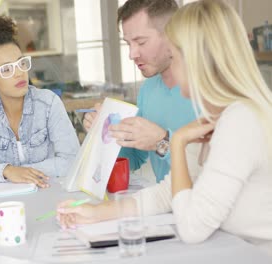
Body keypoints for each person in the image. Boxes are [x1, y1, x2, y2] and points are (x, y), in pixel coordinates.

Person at [58, 0, 272, 252]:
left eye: (176, 55)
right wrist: (96, 213)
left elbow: (192, 227)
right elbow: (167, 193)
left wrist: (177, 142)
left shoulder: (240, 120)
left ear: (196, 60)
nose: (173, 64)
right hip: (224, 247)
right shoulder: (217, 116)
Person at [0, 16, 80, 188]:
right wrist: (7, 171)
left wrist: (23, 172)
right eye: (6, 69)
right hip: (3, 205)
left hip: (48, 196)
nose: (19, 73)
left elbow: (72, 160)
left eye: (21, 63)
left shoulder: (48, 103)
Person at [84, 0, 196, 183]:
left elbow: (218, 169)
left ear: (172, 35)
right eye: (128, 43)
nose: (131, 54)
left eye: (140, 42)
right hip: (168, 205)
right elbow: (133, 160)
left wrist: (162, 142)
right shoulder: (149, 89)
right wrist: (106, 133)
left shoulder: (211, 89)